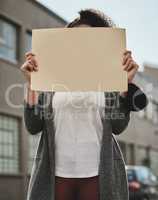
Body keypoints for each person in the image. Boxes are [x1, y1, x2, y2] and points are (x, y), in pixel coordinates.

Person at [21, 9, 148, 200]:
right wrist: (32, 83)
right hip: (56, 174)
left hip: (98, 175)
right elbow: (33, 125)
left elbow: (118, 126)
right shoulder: (51, 81)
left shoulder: (108, 81)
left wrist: (123, 83)